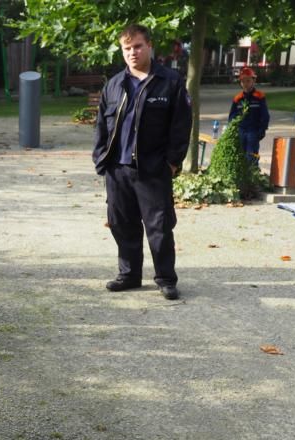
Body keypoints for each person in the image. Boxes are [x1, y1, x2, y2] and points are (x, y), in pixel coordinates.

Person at [92, 23, 192, 301]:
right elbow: (101, 126)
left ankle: (165, 279)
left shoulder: (170, 82)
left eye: (137, 46)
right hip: (118, 169)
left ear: (149, 46)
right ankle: (129, 275)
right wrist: (101, 159)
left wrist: (172, 163)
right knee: (122, 224)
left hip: (153, 170)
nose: (132, 52)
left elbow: (181, 126)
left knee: (159, 227)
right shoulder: (114, 85)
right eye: (127, 48)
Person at [228, 67, 270, 166]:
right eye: (243, 81)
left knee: (251, 155)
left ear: (253, 81)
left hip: (253, 131)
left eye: (248, 81)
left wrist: (262, 129)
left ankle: (252, 172)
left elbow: (265, 115)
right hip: (241, 130)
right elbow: (232, 116)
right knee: (240, 154)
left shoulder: (259, 97)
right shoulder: (238, 98)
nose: (245, 84)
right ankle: (242, 173)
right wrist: (232, 129)